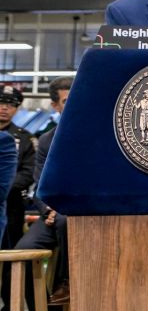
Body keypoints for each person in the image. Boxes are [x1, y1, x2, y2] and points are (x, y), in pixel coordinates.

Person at [11, 77, 73, 309]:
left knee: (65, 222)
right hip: (52, 212)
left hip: (82, 212)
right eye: (67, 101)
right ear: (55, 106)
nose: (73, 104)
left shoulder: (95, 136)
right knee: (22, 251)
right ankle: (37, 303)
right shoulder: (46, 140)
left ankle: (65, 285)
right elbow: (39, 185)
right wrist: (48, 209)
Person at [0, 86, 35, 248]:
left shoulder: (24, 138)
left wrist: (5, 187)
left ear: (17, 109)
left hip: (12, 203)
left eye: (11, 104)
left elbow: (29, 172)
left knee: (10, 249)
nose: (5, 108)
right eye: (1, 102)